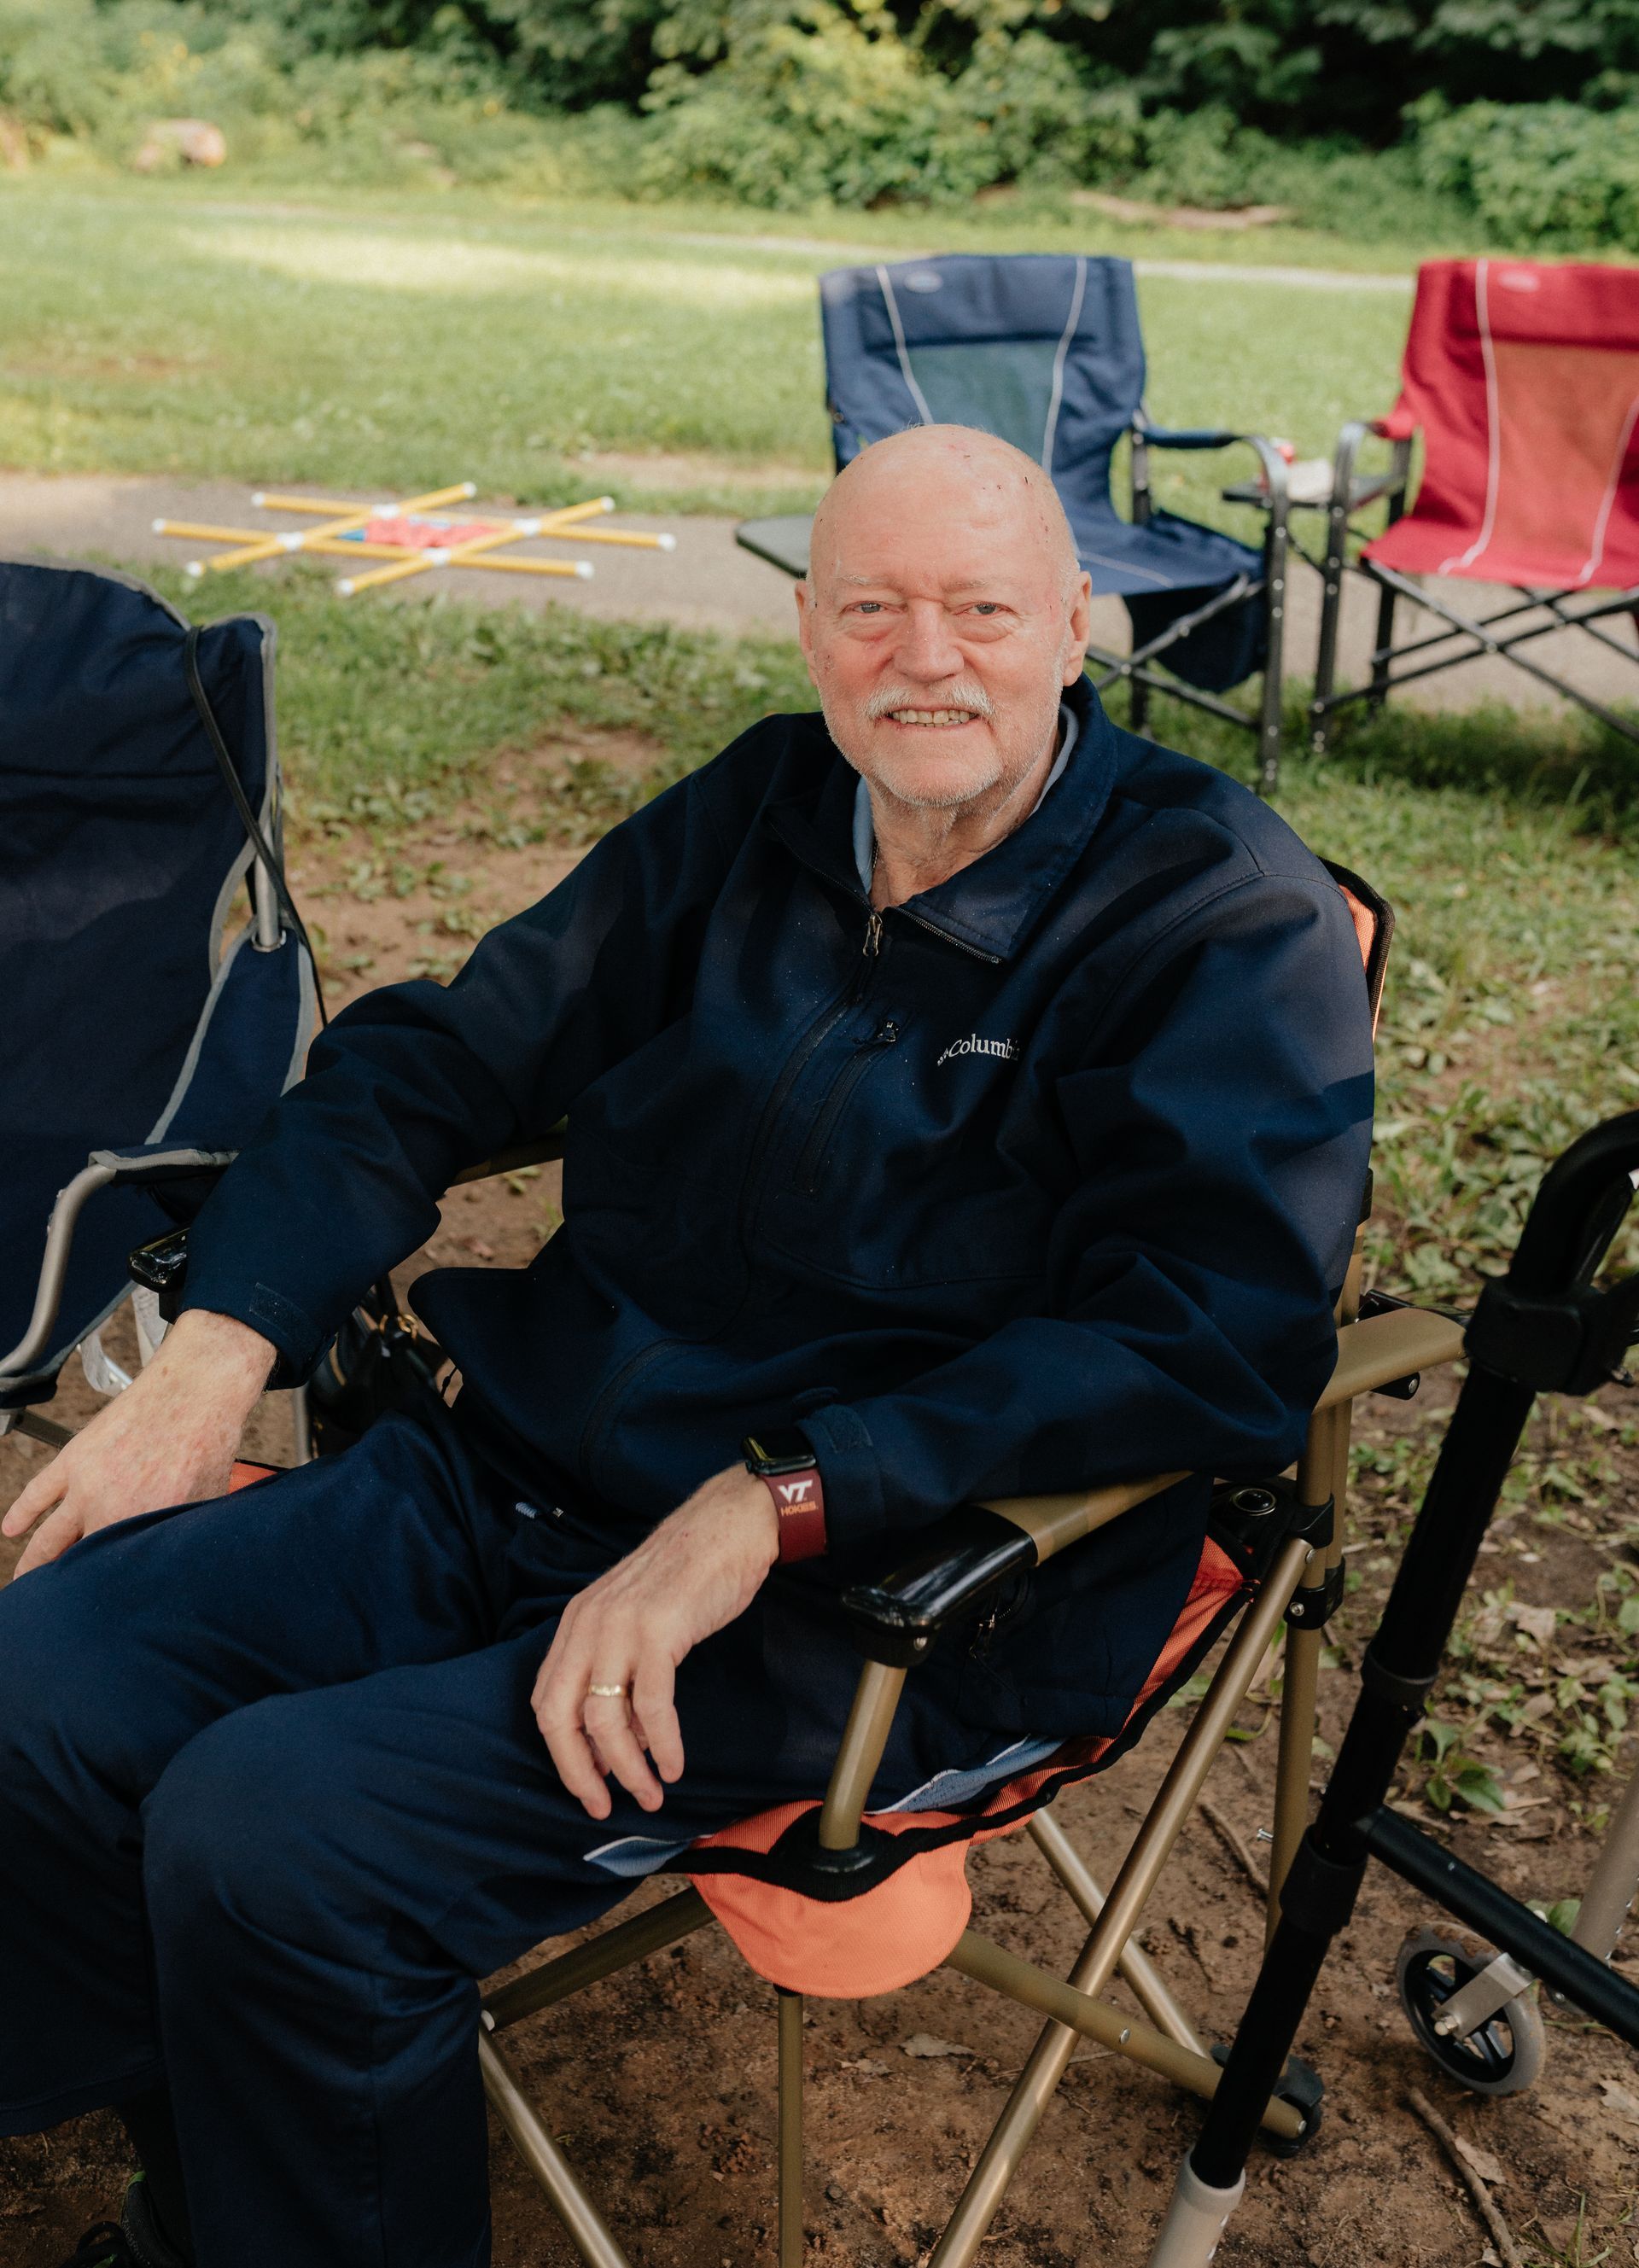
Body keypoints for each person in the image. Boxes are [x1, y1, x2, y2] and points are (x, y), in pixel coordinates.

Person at [0, 425, 1373, 2268]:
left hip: (873, 1611)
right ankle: (233, 2190)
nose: (927, 658)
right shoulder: (766, 813)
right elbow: (441, 1056)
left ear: (1075, 623)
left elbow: (1215, 1334)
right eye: (873, 608)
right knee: (43, 1686)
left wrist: (777, 1503)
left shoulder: (1216, 911)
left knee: (277, 1841)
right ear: (811, 631)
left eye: (980, 609)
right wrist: (213, 1353)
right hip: (514, 1480)